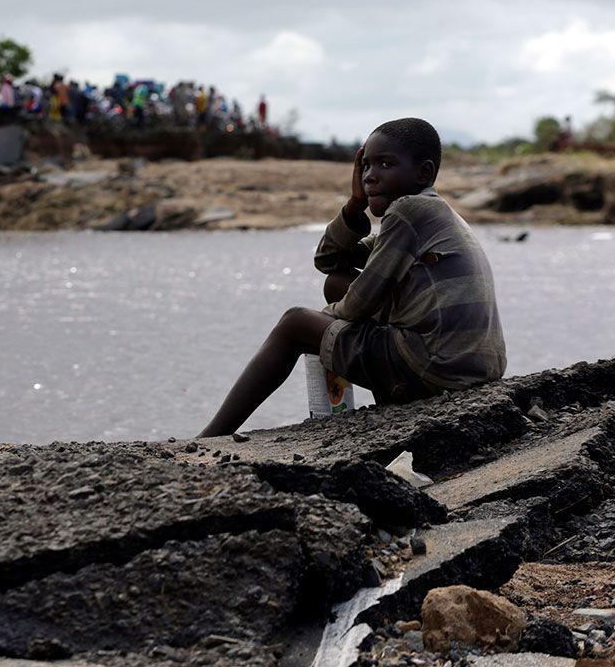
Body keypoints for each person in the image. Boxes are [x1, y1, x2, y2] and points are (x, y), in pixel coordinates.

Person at [199, 118, 506, 437]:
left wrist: (318, 324)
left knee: (294, 323)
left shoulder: (409, 212)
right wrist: (354, 205)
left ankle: (212, 436)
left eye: (386, 164)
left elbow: (359, 303)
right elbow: (329, 260)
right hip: (469, 368)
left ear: (423, 173)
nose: (371, 176)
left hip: (436, 369)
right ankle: (384, 385)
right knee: (335, 282)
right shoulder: (428, 215)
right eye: (366, 166)